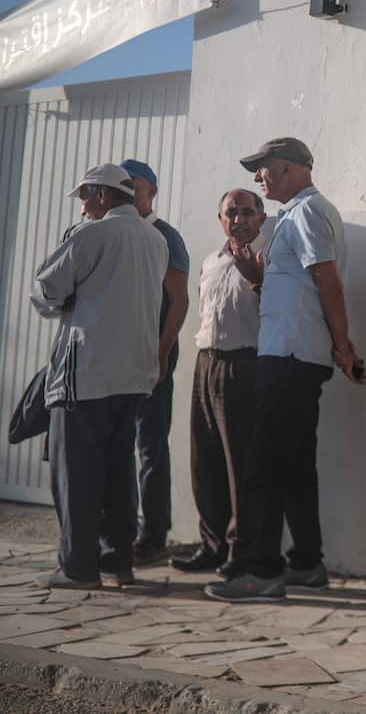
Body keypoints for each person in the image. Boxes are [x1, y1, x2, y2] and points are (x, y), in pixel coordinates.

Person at [206, 137, 366, 603]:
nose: (259, 178)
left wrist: (343, 347)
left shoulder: (309, 212)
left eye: (264, 169)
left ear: (292, 168)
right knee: (295, 466)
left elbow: (328, 282)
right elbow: (298, 289)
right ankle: (306, 563)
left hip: (292, 358)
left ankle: (260, 570)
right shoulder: (294, 216)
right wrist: (259, 282)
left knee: (264, 465)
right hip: (292, 355)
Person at [30, 164, 168, 588]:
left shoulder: (91, 234)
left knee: (76, 475)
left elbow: (45, 290)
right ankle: (116, 561)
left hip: (86, 373)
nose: (84, 207)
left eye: (86, 197)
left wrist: (69, 298)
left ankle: (78, 567)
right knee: (117, 471)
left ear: (103, 195)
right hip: (133, 375)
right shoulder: (156, 239)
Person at [170, 189, 267, 574]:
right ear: (220, 218)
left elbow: (279, 307)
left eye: (247, 212)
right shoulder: (211, 260)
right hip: (205, 362)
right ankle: (210, 545)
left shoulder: (268, 258)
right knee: (204, 461)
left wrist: (257, 279)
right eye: (231, 213)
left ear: (261, 218)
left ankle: (239, 552)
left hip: (244, 365)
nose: (239, 219)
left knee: (238, 464)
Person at [119, 159, 190, 563]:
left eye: (137, 186)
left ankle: (154, 535)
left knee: (150, 445)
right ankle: (120, 527)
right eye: (123, 186)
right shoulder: (113, 233)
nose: (130, 192)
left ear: (153, 192)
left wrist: (162, 353)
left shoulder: (165, 237)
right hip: (116, 356)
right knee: (117, 445)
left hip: (153, 353)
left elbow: (179, 300)